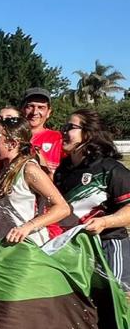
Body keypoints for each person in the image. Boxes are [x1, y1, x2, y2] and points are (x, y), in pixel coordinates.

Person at [54, 109, 130, 287]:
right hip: (74, 248)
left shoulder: (109, 169)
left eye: (70, 127)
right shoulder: (62, 170)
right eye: (63, 127)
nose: (63, 132)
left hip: (108, 245)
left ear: (88, 134)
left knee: (116, 298)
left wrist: (104, 222)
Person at [0, 117, 70, 246]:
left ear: (12, 144)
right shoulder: (4, 169)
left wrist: (27, 227)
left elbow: (63, 208)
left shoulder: (29, 169)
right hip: (9, 246)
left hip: (32, 246)